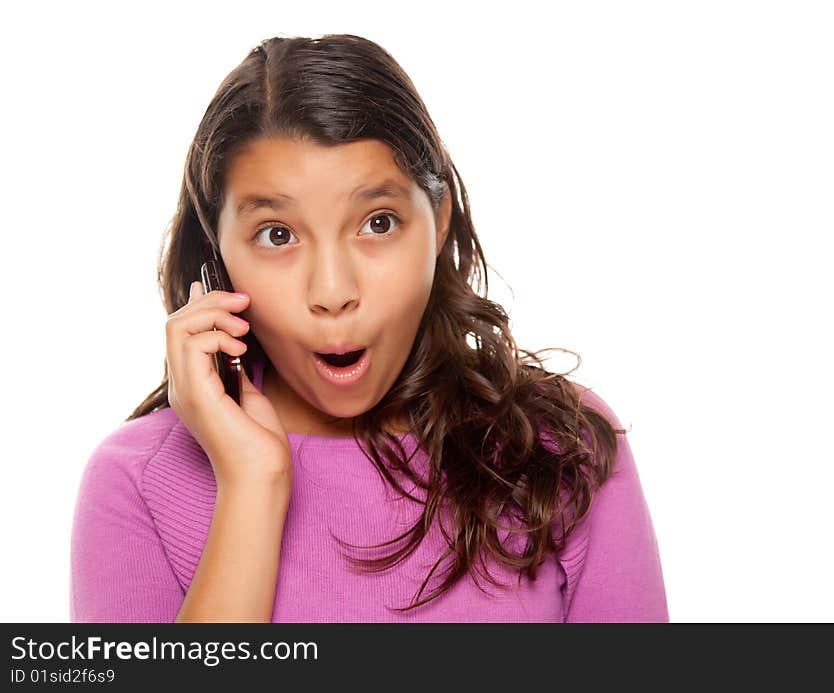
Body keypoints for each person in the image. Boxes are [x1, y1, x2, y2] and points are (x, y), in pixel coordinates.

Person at [69, 34, 669, 623]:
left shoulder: (560, 449)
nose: (332, 292)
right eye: (277, 235)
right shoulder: (137, 484)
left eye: (377, 223)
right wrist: (252, 485)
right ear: (216, 258)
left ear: (436, 222)